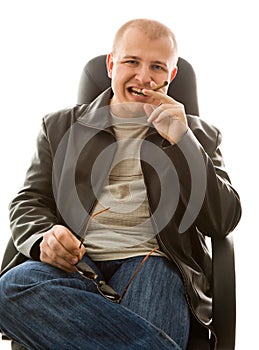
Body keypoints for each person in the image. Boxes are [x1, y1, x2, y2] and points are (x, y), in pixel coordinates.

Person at [0, 18, 241, 350]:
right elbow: (29, 201)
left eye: (157, 67)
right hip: (76, 266)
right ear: (111, 65)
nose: (143, 76)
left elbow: (223, 220)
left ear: (170, 77)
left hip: (152, 262)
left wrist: (184, 142)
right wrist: (43, 236)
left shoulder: (199, 135)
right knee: (9, 290)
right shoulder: (59, 127)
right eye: (132, 62)